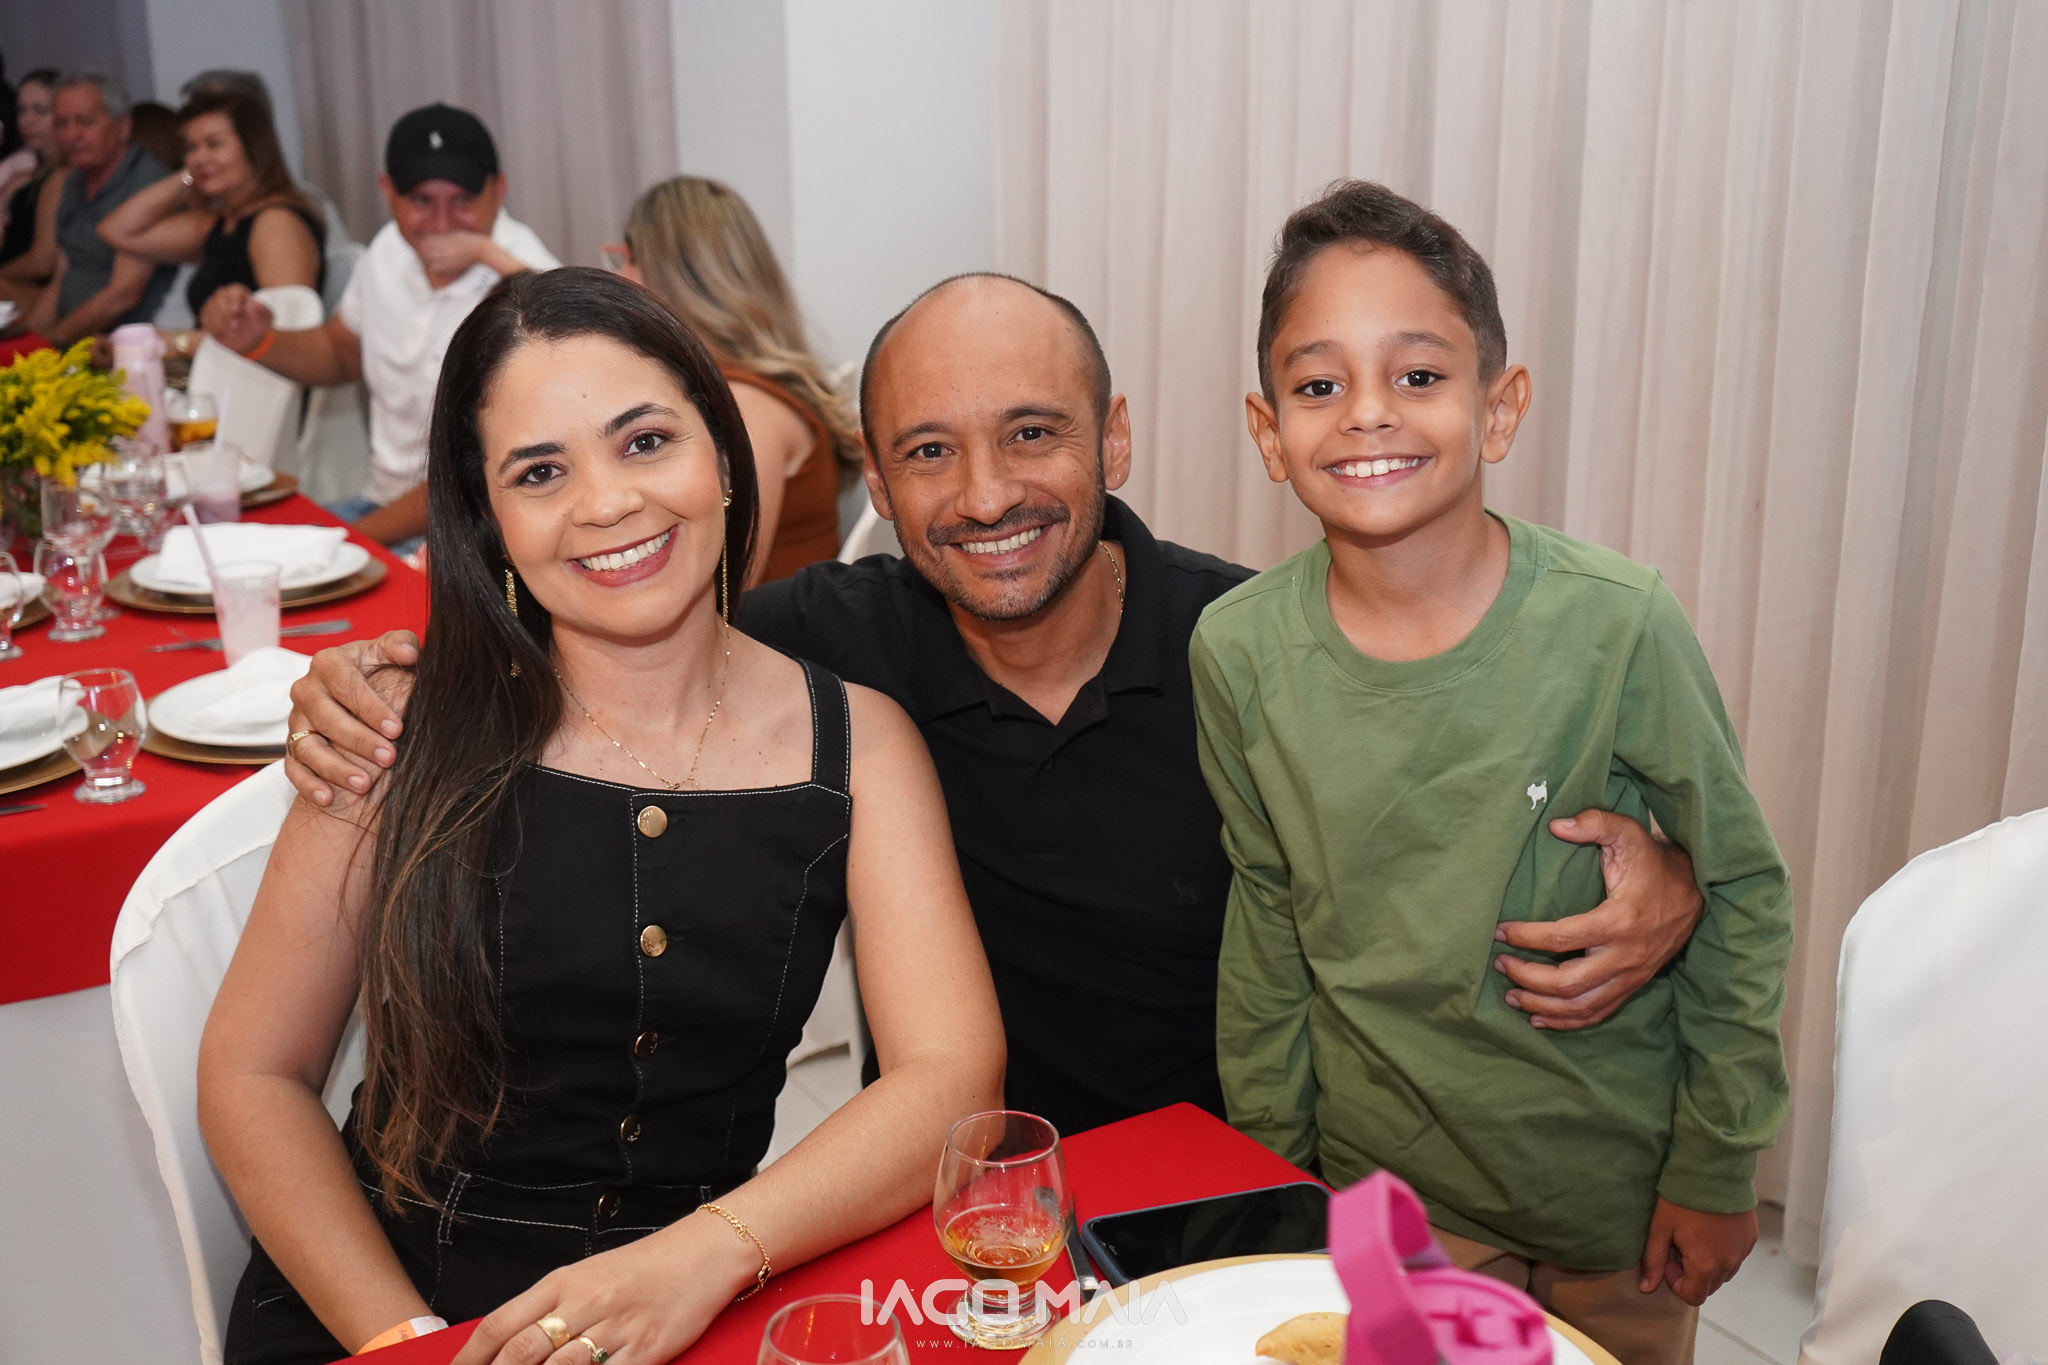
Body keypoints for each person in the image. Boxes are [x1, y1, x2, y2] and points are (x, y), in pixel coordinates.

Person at [279, 272, 1712, 1143]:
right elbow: (597, 633)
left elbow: (1472, 802)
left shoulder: (1255, 648)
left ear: (1115, 439)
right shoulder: (827, 649)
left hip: (1239, 1176)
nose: (983, 497)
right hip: (956, 1196)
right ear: (875, 476)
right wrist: (380, 673)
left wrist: (1674, 884)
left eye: (1032, 433)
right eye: (926, 453)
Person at [199, 266, 1003, 1365]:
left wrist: (706, 1256)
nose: (606, 503)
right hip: (382, 1305)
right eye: (540, 471)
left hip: (695, 1300)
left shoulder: (859, 746)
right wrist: (407, 1342)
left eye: (644, 442)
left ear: (723, 458)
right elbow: (252, 1075)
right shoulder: (396, 728)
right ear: (488, 521)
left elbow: (951, 1076)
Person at [1189, 181, 1794, 1365]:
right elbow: (1264, 919)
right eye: (1318, 386)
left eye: (1417, 374)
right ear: (1267, 432)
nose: (1368, 413)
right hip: (1386, 1195)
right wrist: (1272, 1164)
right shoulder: (1237, 651)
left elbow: (1739, 887)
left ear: (1497, 407)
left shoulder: (1615, 623)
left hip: (1611, 1198)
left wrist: (1716, 1165)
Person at [202, 103, 558, 549]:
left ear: (498, 190)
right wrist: (258, 341)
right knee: (233, 553)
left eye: (463, 201)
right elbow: (340, 352)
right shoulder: (388, 249)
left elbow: (469, 477)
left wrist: (347, 542)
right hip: (379, 506)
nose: (442, 224)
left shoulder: (532, 288)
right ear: (388, 192)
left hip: (471, 534)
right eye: (421, 201)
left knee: (282, 566)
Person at [619, 175, 861, 581]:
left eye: (627, 259)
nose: (619, 277)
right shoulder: (748, 387)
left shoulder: (746, 407)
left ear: (672, 278)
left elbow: (731, 584)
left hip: (767, 619)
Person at [96, 89, 322, 361]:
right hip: (217, 370)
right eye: (191, 149)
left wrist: (176, 343)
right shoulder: (222, 221)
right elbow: (117, 230)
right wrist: (191, 176)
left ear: (253, 150)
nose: (199, 157)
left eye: (213, 144)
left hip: (254, 380)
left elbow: (289, 332)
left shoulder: (276, 222)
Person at [21, 70, 175, 347]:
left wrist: (53, 342)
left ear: (123, 127)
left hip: (123, 349)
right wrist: (28, 346)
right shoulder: (74, 181)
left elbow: (123, 294)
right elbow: (62, 277)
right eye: (62, 124)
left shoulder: (147, 183)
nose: (72, 135)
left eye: (85, 122)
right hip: (70, 344)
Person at [0, 67, 57, 262]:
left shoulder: (70, 175)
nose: (26, 120)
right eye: (21, 110)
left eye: (41, 110)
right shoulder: (22, 173)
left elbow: (43, 261)